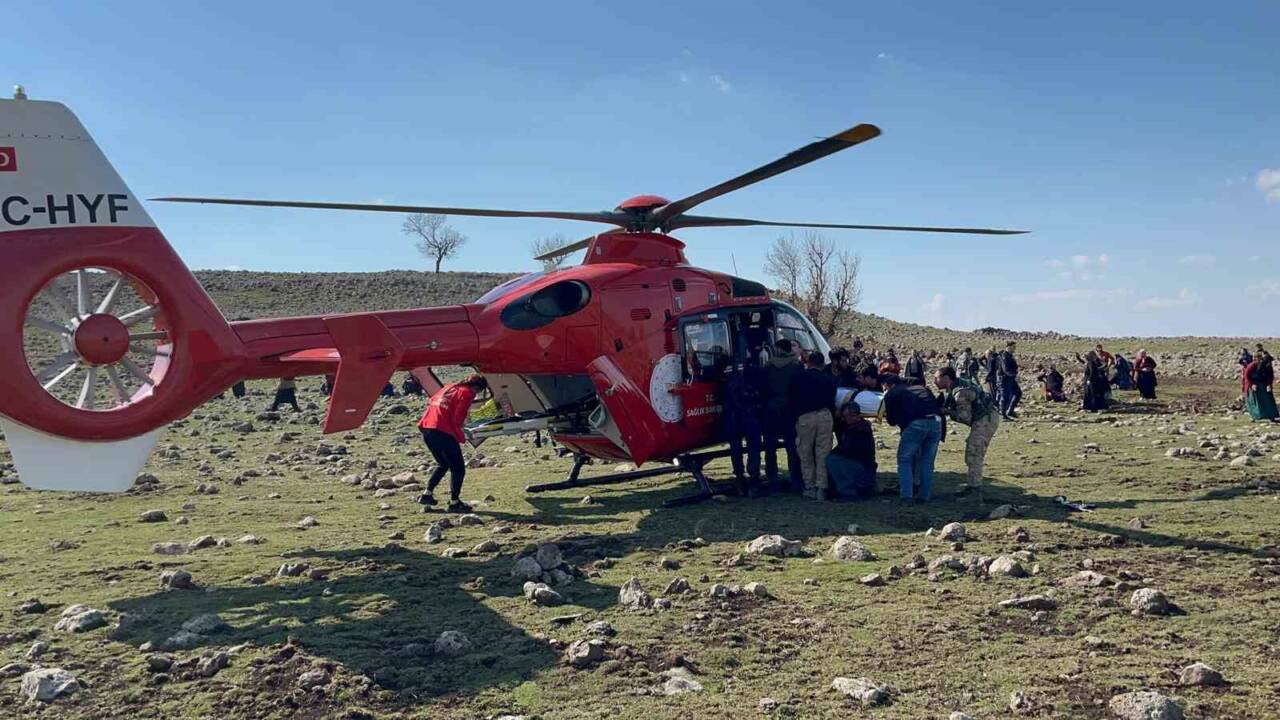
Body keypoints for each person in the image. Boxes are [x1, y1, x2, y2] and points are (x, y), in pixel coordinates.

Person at [418, 374, 488, 512]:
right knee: (458, 468)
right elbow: (458, 417)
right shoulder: (467, 393)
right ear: (476, 387)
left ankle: (427, 494)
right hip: (442, 431)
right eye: (478, 391)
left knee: (443, 464)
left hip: (427, 428)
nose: (477, 394)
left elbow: (434, 402)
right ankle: (454, 503)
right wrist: (462, 433)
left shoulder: (449, 387)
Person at [935, 366, 1000, 504]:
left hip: (984, 419)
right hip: (986, 417)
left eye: (937, 378)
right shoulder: (960, 384)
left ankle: (975, 491)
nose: (934, 381)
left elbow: (965, 416)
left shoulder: (960, 392)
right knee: (972, 452)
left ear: (946, 378)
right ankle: (972, 486)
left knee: (974, 453)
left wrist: (947, 411)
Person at [882, 373, 943, 503]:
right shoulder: (922, 389)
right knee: (927, 462)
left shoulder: (893, 393)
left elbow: (892, 420)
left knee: (904, 460)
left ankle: (906, 496)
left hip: (917, 424)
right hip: (937, 423)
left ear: (888, 385)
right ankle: (924, 496)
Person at [722, 346, 766, 494]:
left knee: (735, 449)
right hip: (749, 414)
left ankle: (740, 478)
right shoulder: (752, 368)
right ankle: (754, 480)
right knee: (753, 447)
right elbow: (760, 389)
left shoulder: (724, 369)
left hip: (731, 415)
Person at [793, 352, 836, 500]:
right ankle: (822, 488)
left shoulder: (799, 377)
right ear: (822, 364)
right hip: (824, 415)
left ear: (809, 363)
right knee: (823, 453)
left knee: (805, 453)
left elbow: (793, 397)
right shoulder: (828, 379)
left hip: (806, 417)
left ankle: (809, 487)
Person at [763, 339, 804, 492]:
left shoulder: (768, 365)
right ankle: (796, 480)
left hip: (771, 408)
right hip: (790, 409)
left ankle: (772, 480)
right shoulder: (796, 365)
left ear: (778, 349)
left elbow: (763, 388)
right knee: (792, 447)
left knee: (770, 446)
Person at [826, 401, 877, 500]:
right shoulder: (853, 426)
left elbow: (848, 450)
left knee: (832, 459)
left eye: (852, 415)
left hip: (863, 469)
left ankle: (848, 492)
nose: (850, 418)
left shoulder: (860, 429)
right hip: (863, 468)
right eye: (846, 416)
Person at [1243, 352, 1278, 422]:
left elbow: (1269, 376)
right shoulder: (1251, 366)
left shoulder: (1265, 366)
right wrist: (1252, 384)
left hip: (1262, 385)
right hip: (1253, 385)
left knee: (1267, 401)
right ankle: (1255, 416)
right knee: (1254, 401)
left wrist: (1268, 385)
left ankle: (1271, 416)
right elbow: (1247, 376)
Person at [997, 341, 1022, 419]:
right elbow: (1006, 369)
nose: (1015, 349)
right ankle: (1003, 414)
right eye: (1013, 347)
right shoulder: (1004, 356)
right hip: (1004, 379)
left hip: (1010, 378)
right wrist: (1015, 375)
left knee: (1018, 393)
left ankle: (1010, 411)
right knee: (1005, 396)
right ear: (1009, 347)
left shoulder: (1010, 356)